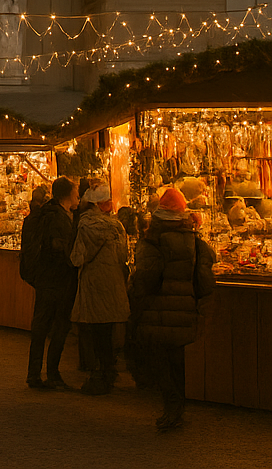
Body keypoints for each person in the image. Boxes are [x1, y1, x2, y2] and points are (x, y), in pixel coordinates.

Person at [130, 185, 216, 431]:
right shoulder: (193, 241)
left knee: (161, 361)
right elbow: (205, 278)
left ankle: (171, 407)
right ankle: (177, 408)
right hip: (183, 309)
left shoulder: (152, 241)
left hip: (156, 309)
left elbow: (145, 279)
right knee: (177, 361)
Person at [70, 182, 129, 395]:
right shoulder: (117, 227)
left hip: (93, 283)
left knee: (96, 331)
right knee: (108, 331)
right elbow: (123, 256)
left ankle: (99, 375)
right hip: (112, 283)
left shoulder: (85, 225)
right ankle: (108, 371)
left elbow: (78, 257)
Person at [26, 175, 79, 389]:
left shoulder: (45, 213)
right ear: (67, 195)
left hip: (44, 278)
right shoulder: (59, 218)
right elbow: (61, 249)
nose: (78, 197)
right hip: (58, 280)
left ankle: (34, 373)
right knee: (59, 327)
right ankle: (52, 373)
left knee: (40, 327)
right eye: (76, 194)